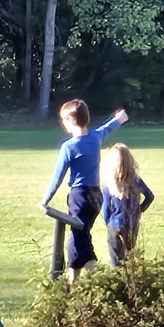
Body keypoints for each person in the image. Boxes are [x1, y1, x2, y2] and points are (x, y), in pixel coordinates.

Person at [39, 100, 129, 284]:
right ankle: (73, 283)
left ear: (71, 120)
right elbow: (108, 127)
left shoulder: (69, 147)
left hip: (79, 197)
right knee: (76, 236)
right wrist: (119, 119)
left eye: (63, 120)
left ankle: (97, 276)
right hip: (96, 197)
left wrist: (45, 200)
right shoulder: (95, 137)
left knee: (80, 236)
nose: (62, 123)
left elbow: (58, 177)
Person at [100, 143, 155, 267]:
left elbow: (105, 210)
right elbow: (149, 196)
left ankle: (118, 284)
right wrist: (139, 210)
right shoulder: (136, 180)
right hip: (132, 224)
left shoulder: (108, 184)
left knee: (116, 261)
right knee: (129, 258)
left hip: (115, 225)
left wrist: (108, 222)